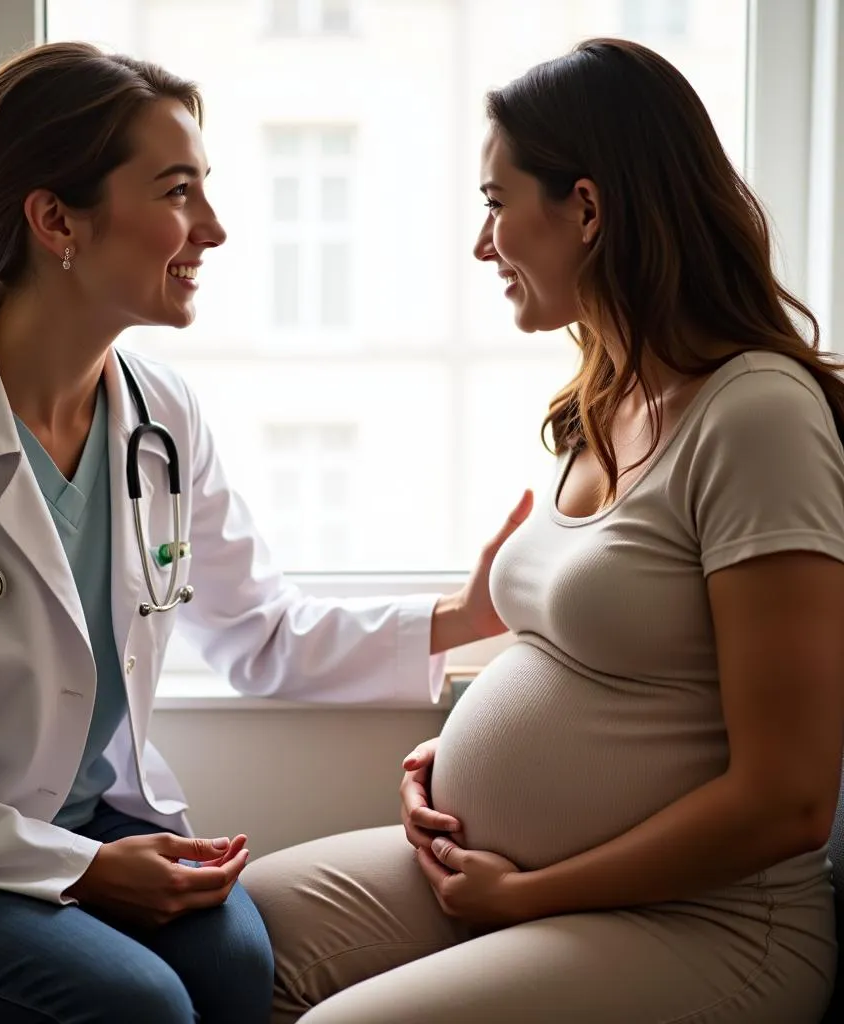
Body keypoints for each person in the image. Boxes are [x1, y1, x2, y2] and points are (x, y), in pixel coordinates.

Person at [0, 42, 522, 1024]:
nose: (216, 229)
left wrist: (462, 615)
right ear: (56, 219)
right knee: (137, 1004)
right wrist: (83, 868)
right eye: (178, 191)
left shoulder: (158, 415)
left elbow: (258, 634)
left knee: (235, 961)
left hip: (92, 825)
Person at [240, 37, 844, 1024]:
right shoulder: (604, 399)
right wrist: (448, 762)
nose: (483, 245)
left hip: (704, 922)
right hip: (524, 873)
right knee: (229, 935)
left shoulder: (757, 417)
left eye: (494, 203)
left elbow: (787, 799)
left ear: (588, 209)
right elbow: (609, 652)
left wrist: (524, 894)